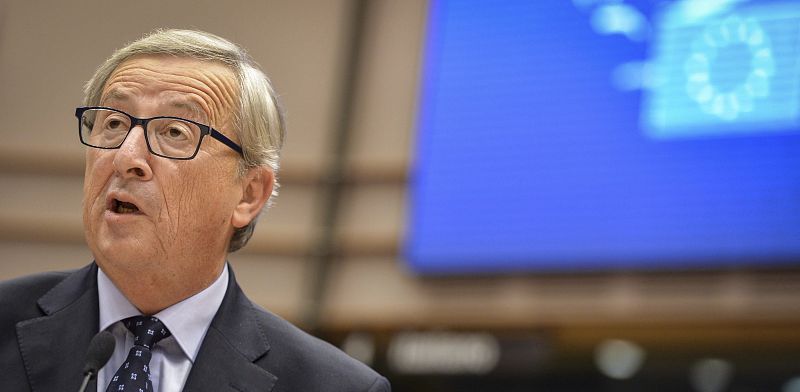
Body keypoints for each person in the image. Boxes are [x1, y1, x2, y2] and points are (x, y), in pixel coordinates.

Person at [0, 29, 390, 392]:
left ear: (249, 195)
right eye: (114, 123)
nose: (126, 157)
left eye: (174, 132)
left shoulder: (333, 386)